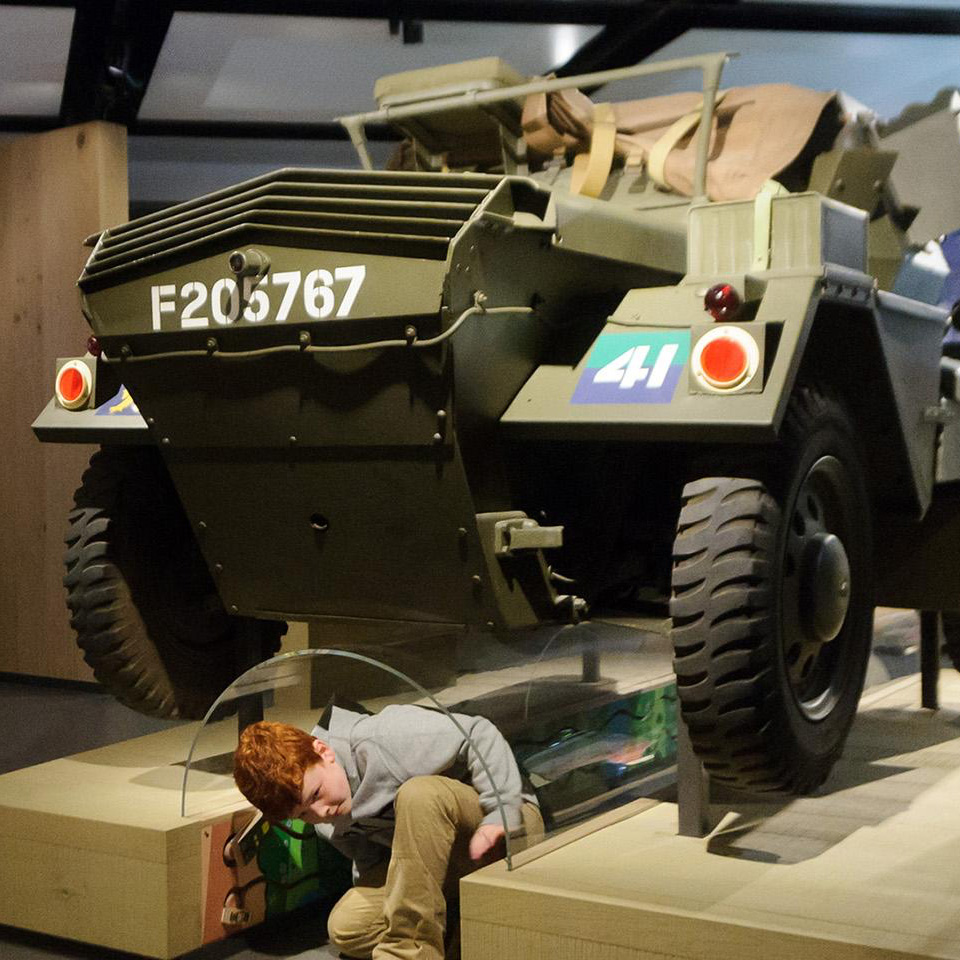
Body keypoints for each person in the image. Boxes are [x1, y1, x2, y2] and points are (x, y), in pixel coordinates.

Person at [233, 703, 542, 960]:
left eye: (315, 794)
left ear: (323, 751)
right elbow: (373, 863)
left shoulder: (384, 737)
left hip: (502, 829)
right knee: (347, 926)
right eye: (303, 814)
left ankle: (406, 952)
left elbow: (478, 732)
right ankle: (455, 935)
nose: (320, 812)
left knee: (420, 794)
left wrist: (499, 811)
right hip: (436, 863)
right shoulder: (327, 819)